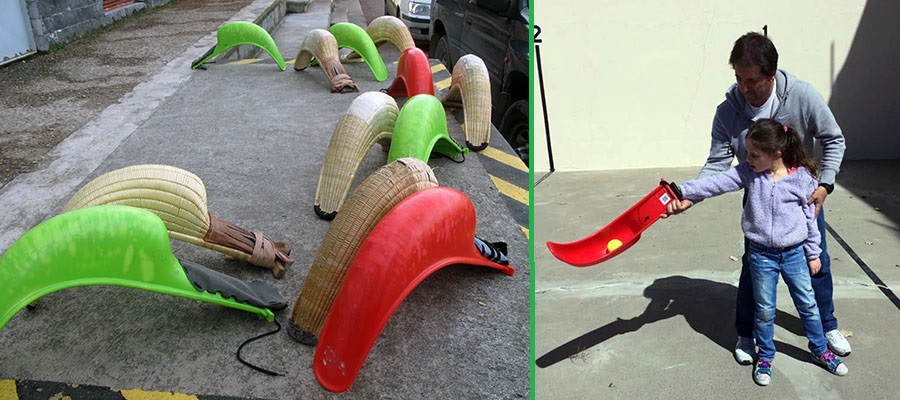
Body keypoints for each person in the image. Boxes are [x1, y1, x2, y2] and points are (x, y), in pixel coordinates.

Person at [665, 31, 849, 364]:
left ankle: (827, 325)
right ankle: (746, 333)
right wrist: (690, 196)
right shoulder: (728, 111)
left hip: (804, 199)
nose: (745, 88)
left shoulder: (803, 97)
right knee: (753, 271)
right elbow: (719, 166)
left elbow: (834, 140)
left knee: (816, 263)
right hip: (760, 206)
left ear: (772, 75)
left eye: (753, 81)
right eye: (738, 78)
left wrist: (825, 186)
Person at [675, 119, 848, 386]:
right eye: (747, 153)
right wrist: (684, 190)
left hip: (794, 254)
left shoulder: (802, 178)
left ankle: (820, 350)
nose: (749, 159)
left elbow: (810, 218)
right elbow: (718, 182)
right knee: (765, 309)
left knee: (808, 305)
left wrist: (813, 253)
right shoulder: (749, 173)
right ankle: (765, 356)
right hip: (760, 255)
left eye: (755, 154)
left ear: (776, 154)